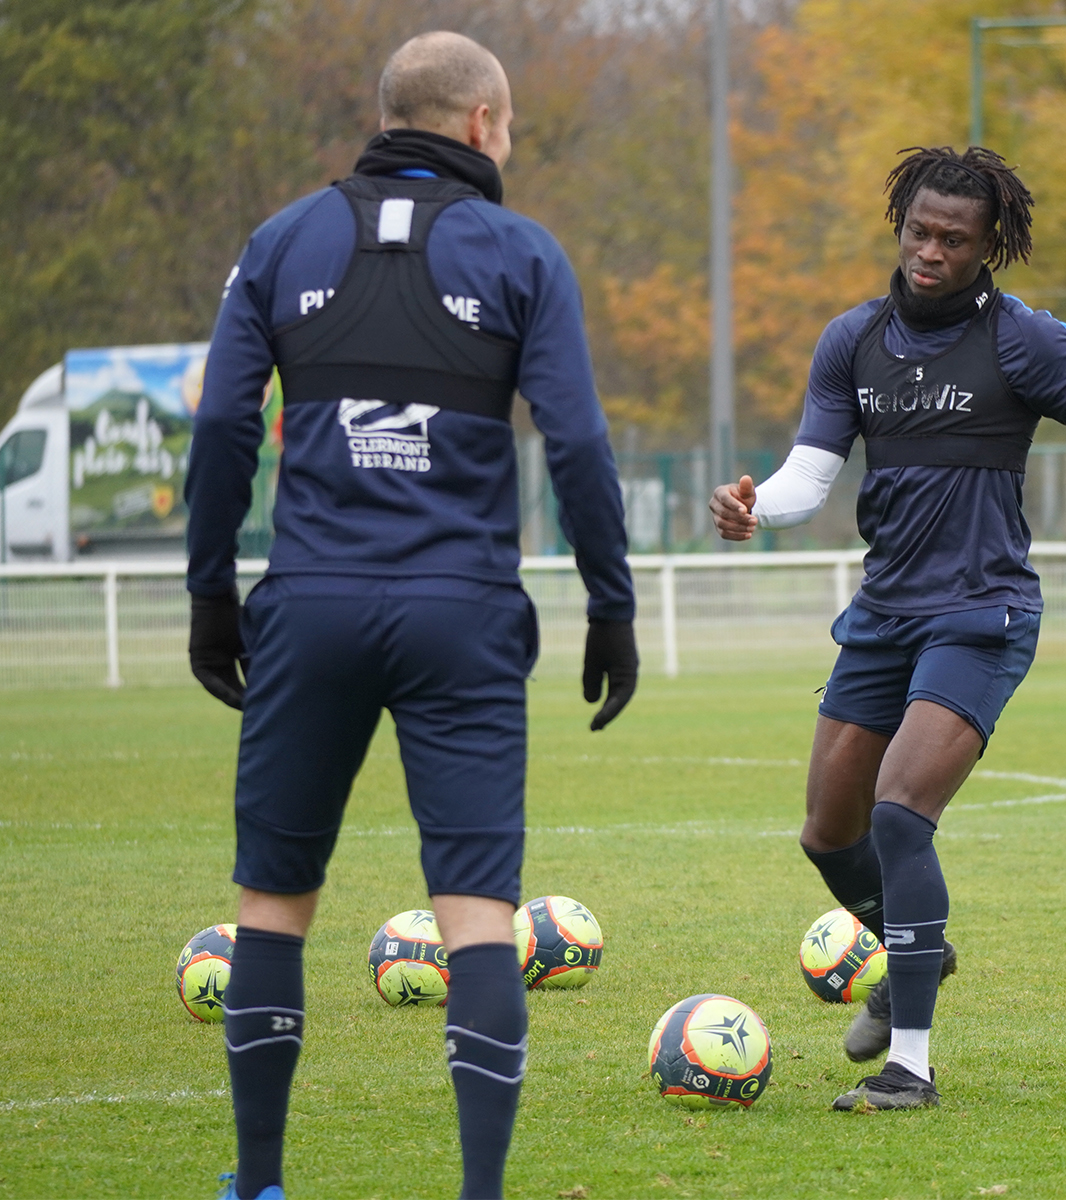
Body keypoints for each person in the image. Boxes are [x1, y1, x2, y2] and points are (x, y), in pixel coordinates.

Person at [710, 146, 1066, 1112]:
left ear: (989, 248)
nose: (930, 251)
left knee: (899, 812)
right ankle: (918, 949)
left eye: (954, 239)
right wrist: (758, 506)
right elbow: (812, 473)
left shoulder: (1027, 344)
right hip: (884, 614)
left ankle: (912, 1069)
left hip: (983, 613)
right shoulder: (852, 339)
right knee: (826, 832)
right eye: (919, 231)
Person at [184, 32, 638, 1199]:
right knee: (480, 913)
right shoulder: (523, 252)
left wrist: (208, 596)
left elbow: (228, 428)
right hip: (464, 618)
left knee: (272, 904)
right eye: (515, 128)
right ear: (482, 124)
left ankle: (258, 1183)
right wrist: (610, 603)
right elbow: (579, 443)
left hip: (312, 608)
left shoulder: (281, 243)